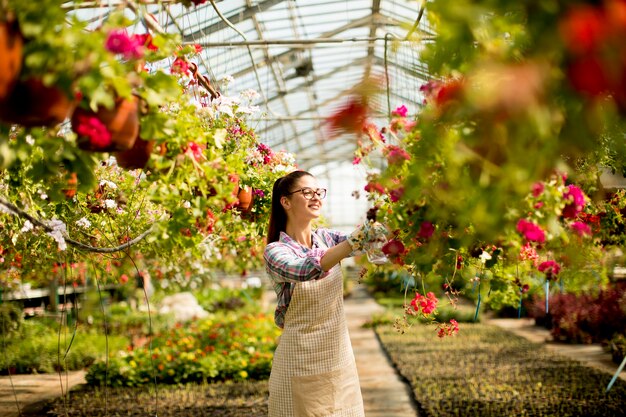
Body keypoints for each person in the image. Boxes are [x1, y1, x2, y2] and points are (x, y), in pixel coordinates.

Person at [263, 170, 384, 417]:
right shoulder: (276, 251)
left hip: (338, 360)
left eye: (319, 192)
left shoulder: (327, 238)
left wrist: (400, 219)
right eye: (307, 192)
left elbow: (362, 241)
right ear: (285, 201)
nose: (316, 197)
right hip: (298, 361)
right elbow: (306, 269)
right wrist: (356, 240)